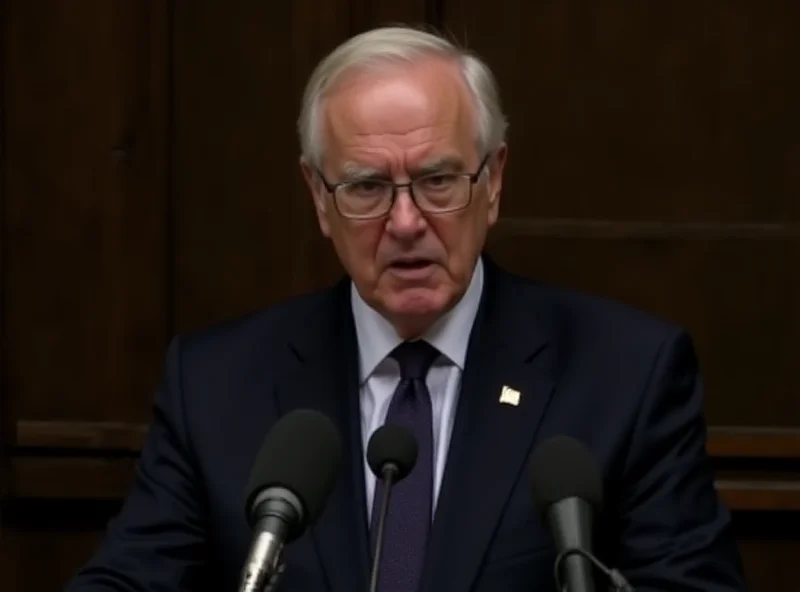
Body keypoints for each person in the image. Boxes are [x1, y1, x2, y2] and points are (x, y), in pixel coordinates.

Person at [66, 26, 746, 591]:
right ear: (318, 198)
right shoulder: (215, 386)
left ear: (495, 181)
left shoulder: (623, 376)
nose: (406, 221)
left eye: (438, 180)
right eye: (365, 186)